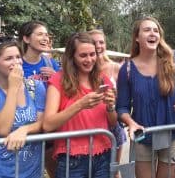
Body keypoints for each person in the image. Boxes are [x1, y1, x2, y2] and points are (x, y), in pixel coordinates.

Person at [116, 17, 175, 178]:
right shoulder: (126, 69)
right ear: (137, 38)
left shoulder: (173, 58)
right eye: (147, 30)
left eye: (156, 30)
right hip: (143, 135)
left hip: (174, 132)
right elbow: (122, 108)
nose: (152, 33)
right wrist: (131, 123)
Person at [42, 32, 118, 178]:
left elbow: (113, 122)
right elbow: (48, 124)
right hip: (72, 159)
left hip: (103, 155)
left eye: (92, 54)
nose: (89, 60)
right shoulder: (58, 80)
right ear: (72, 57)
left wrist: (110, 106)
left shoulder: (102, 79)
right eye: (83, 55)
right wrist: (80, 105)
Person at [0, 36, 46, 178]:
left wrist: (24, 129)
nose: (16, 63)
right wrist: (13, 88)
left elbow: (43, 124)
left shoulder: (35, 87)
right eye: (9, 58)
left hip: (33, 171)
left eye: (18, 57)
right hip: (0, 172)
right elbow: (2, 129)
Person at [18, 20, 60, 178]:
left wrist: (56, 77)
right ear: (26, 39)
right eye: (40, 34)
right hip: (24, 129)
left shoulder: (51, 63)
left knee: (55, 173)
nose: (45, 38)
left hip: (48, 128)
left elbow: (66, 89)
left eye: (46, 35)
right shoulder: (17, 63)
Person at [88, 29, 127, 177]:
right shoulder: (83, 69)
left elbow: (125, 100)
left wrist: (116, 97)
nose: (98, 45)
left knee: (113, 171)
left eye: (101, 42)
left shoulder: (116, 68)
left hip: (112, 126)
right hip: (91, 126)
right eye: (94, 42)